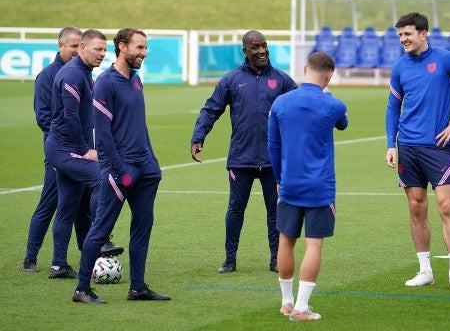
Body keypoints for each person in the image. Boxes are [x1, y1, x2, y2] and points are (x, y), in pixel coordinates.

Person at [385, 13, 450, 291]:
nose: (403, 39)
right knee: (416, 208)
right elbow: (393, 107)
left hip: (438, 148)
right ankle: (425, 270)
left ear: (423, 33)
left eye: (408, 33)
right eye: (400, 35)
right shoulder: (399, 67)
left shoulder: (447, 59)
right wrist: (391, 144)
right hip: (408, 149)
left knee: (447, 207)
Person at [73, 28, 169, 304]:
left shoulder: (136, 80)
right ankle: (81, 289)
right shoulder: (105, 82)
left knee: (143, 226)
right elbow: (101, 133)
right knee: (101, 228)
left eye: (145, 48)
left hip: (145, 167)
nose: (144, 53)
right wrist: (119, 169)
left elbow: (139, 124)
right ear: (122, 47)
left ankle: (137, 287)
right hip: (121, 170)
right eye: (139, 48)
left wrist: (152, 161)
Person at [190, 30, 297, 274]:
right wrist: (199, 136)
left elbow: (299, 107)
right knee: (236, 208)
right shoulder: (231, 80)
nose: (262, 51)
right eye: (256, 47)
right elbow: (211, 110)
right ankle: (230, 259)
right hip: (241, 158)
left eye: (264, 46)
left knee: (275, 209)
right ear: (245, 51)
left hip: (274, 160)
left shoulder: (282, 80)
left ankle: (275, 259)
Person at [268, 51, 348, 321]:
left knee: (285, 241)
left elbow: (273, 146)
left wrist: (279, 179)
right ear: (329, 76)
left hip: (289, 183)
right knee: (314, 245)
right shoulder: (333, 105)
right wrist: (328, 95)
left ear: (304, 69)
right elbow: (343, 124)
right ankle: (302, 308)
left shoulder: (280, 103)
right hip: (320, 186)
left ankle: (287, 302)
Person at [44, 29, 123, 280]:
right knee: (103, 180)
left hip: (64, 149)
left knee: (66, 207)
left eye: (104, 50)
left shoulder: (84, 73)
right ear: (82, 49)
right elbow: (69, 117)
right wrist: (83, 150)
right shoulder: (73, 75)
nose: (103, 54)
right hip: (65, 150)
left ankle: (59, 265)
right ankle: (100, 238)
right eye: (97, 49)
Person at [22, 26, 85, 272]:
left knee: (81, 204)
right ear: (60, 46)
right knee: (50, 202)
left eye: (80, 46)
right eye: (72, 46)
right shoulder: (48, 76)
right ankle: (30, 258)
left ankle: (86, 256)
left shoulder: (82, 74)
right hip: (58, 151)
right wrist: (64, 143)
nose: (76, 50)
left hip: (80, 150)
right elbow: (43, 118)